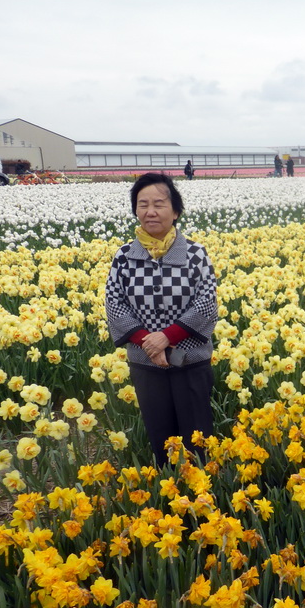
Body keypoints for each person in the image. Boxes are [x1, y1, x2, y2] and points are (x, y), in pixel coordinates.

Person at [105, 172, 219, 467]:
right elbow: (114, 305)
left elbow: (207, 304)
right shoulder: (124, 256)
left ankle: (202, 495)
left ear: (176, 211)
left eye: (159, 203)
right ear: (135, 210)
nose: (150, 211)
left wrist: (167, 337)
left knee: (197, 439)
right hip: (146, 364)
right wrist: (149, 343)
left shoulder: (195, 254)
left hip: (190, 361)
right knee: (161, 438)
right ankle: (170, 497)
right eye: (143, 204)